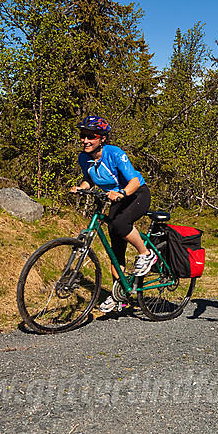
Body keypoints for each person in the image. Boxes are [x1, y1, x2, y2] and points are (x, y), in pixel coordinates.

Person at [70, 115, 156, 312]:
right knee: (116, 250)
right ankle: (120, 295)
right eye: (83, 136)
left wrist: (122, 193)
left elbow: (133, 181)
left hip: (136, 194)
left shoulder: (115, 153)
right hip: (114, 197)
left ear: (102, 139)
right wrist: (81, 187)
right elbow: (89, 178)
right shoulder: (84, 157)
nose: (85, 141)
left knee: (120, 224)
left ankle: (146, 254)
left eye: (91, 137)